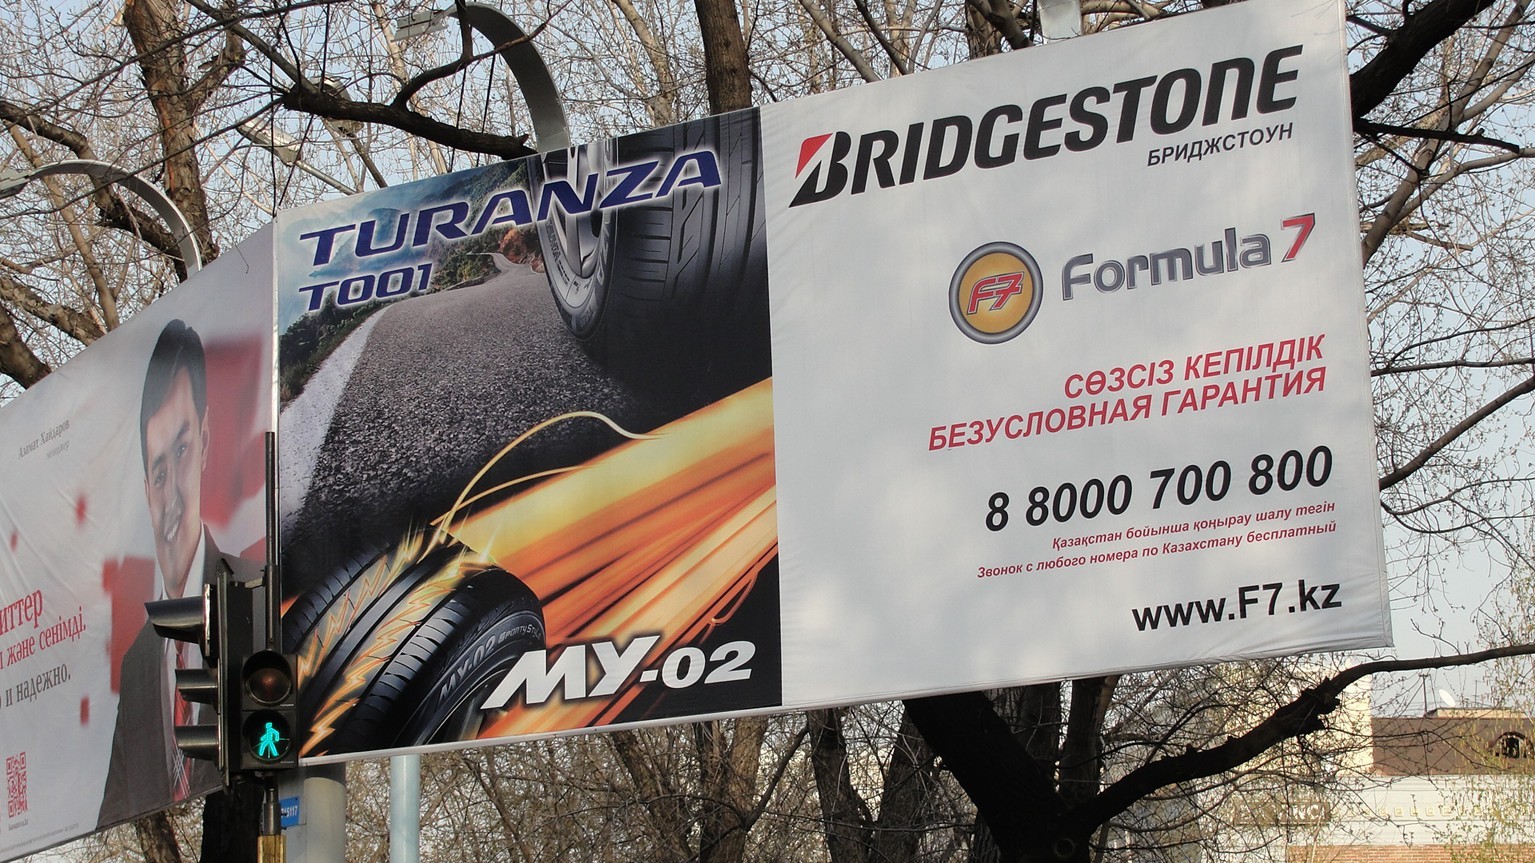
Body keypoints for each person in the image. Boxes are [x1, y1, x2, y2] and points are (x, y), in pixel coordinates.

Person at [98, 319, 233, 827]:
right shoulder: (137, 664)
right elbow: (113, 811)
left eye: (180, 450)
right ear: (145, 489)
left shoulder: (257, 598)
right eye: (158, 472)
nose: (171, 492)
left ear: (205, 440)